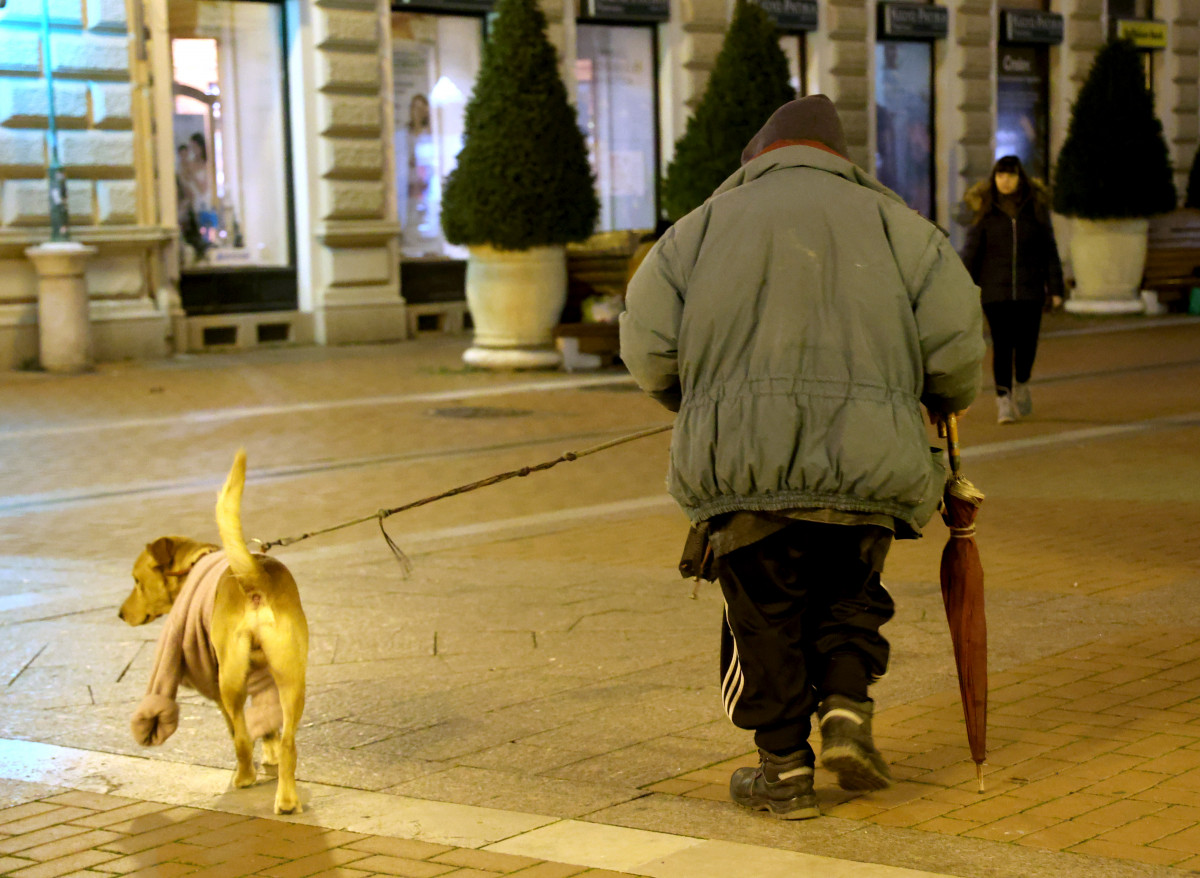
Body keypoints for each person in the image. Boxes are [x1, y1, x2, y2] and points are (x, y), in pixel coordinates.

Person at [620, 95, 984, 820]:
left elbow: (648, 349)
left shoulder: (695, 232)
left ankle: (783, 771)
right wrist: (939, 395)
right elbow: (956, 352)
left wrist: (689, 399)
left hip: (746, 466)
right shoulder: (903, 229)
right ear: (843, 159)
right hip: (869, 460)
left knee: (765, 615)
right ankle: (847, 708)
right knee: (851, 597)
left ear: (757, 157)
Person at [961, 155, 1064, 424]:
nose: (1004, 180)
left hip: (1030, 291)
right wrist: (962, 286)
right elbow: (972, 252)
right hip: (996, 293)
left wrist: (1055, 288)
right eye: (1000, 175)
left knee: (1027, 345)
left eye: (1010, 175)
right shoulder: (985, 211)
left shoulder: (1036, 210)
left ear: (1021, 178)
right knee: (1002, 346)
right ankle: (1003, 400)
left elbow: (1049, 252)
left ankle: (1022, 383)